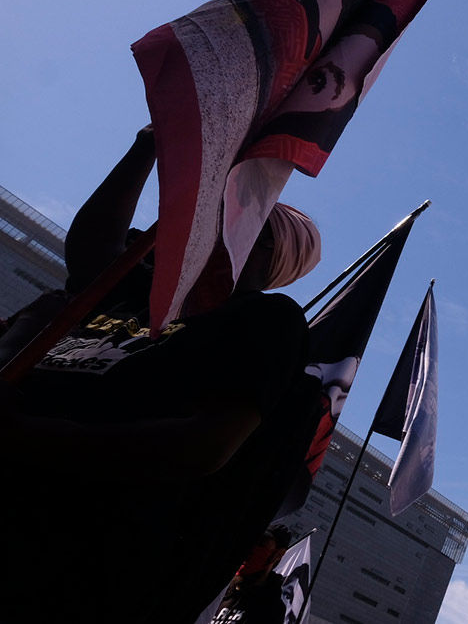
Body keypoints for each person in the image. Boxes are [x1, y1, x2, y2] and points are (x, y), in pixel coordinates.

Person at [0, 125, 322, 623]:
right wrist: (149, 145)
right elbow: (92, 254)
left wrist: (21, 434)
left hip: (64, 557)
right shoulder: (144, 291)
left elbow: (204, 445)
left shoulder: (264, 320)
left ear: (268, 256)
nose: (209, 225)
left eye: (236, 220)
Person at [212, 524, 293, 624]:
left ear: (278, 554)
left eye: (261, 544)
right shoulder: (219, 592)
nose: (251, 549)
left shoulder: (270, 609)